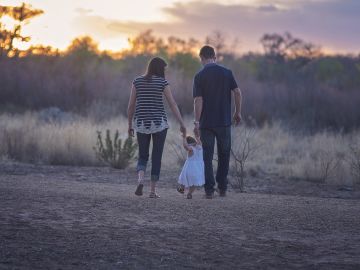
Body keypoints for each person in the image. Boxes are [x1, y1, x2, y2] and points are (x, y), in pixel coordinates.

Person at [127, 57, 186, 198]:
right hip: (159, 124)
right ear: (160, 69)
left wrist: (130, 125)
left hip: (141, 123)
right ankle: (152, 191)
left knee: (142, 155)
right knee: (156, 156)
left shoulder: (137, 81)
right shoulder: (162, 82)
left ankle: (140, 180)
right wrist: (182, 123)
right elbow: (172, 104)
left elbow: (130, 106)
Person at [193, 45, 242, 199]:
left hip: (206, 123)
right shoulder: (227, 73)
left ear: (202, 58)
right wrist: (237, 112)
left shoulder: (199, 76)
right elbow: (237, 92)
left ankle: (209, 190)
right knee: (224, 155)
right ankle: (222, 188)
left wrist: (196, 122)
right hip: (224, 122)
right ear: (214, 56)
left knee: (207, 157)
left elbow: (198, 100)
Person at [177, 135, 205, 199]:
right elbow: (199, 140)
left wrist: (184, 138)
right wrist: (197, 135)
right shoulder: (200, 147)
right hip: (198, 169)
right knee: (193, 183)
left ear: (188, 144)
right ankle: (189, 193)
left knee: (183, 178)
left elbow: (185, 147)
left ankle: (182, 189)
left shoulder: (191, 149)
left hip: (189, 168)